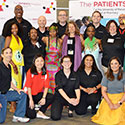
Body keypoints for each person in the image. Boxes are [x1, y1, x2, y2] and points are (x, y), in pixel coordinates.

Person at [91, 56, 125, 125]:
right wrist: (110, 104)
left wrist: (119, 103)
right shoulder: (106, 75)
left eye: (116, 63)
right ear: (109, 65)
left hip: (121, 99)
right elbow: (103, 91)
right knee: (106, 118)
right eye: (112, 64)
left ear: (119, 65)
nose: (114, 66)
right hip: (108, 98)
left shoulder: (124, 75)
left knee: (119, 118)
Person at [0, 47, 30, 123]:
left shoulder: (9, 66)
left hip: (6, 93)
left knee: (22, 94)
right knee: (1, 120)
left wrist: (17, 89)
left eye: (10, 52)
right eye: (6, 53)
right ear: (2, 55)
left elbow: (9, 81)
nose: (9, 55)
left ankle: (18, 116)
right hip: (0, 95)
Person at [24, 54, 53, 119]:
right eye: (37, 61)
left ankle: (40, 111)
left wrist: (43, 98)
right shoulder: (30, 71)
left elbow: (46, 87)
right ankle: (29, 106)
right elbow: (28, 87)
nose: (40, 63)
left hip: (37, 95)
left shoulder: (45, 73)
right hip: (28, 95)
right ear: (34, 62)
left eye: (41, 61)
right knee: (31, 115)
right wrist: (31, 100)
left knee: (51, 96)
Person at [51, 56, 80, 120]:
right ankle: (62, 107)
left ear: (71, 63)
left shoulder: (75, 75)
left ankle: (71, 109)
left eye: (68, 61)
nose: (67, 63)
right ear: (62, 64)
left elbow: (77, 88)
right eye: (65, 61)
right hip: (60, 97)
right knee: (55, 117)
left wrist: (78, 99)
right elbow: (60, 89)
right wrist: (69, 100)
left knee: (80, 111)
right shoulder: (58, 75)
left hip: (71, 96)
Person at [4, 22, 24, 112]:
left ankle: (15, 103)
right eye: (12, 28)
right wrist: (12, 64)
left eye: (15, 28)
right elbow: (5, 51)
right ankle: (12, 105)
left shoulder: (19, 38)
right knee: (13, 83)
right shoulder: (9, 38)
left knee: (18, 84)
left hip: (20, 65)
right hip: (13, 64)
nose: (14, 30)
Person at [42, 25, 62, 93]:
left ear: (56, 32)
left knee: (56, 79)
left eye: (54, 31)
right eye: (50, 31)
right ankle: (48, 95)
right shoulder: (45, 39)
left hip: (56, 64)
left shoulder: (60, 41)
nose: (52, 33)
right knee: (48, 80)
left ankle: (55, 96)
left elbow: (61, 53)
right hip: (48, 64)